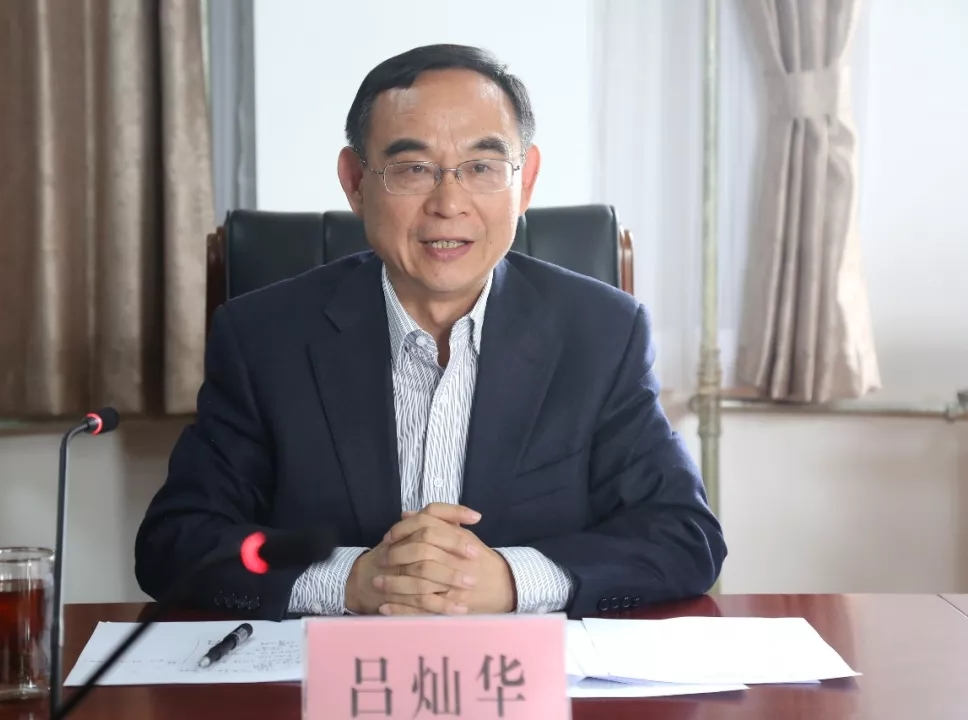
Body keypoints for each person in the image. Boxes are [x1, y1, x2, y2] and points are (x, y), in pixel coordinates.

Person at [135, 44, 726, 620]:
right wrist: (351, 579)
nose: (449, 203)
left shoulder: (602, 333)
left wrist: (512, 579)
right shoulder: (263, 338)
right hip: (337, 675)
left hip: (524, 676)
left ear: (525, 181)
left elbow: (683, 536)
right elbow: (180, 542)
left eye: (482, 167)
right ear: (355, 182)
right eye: (413, 169)